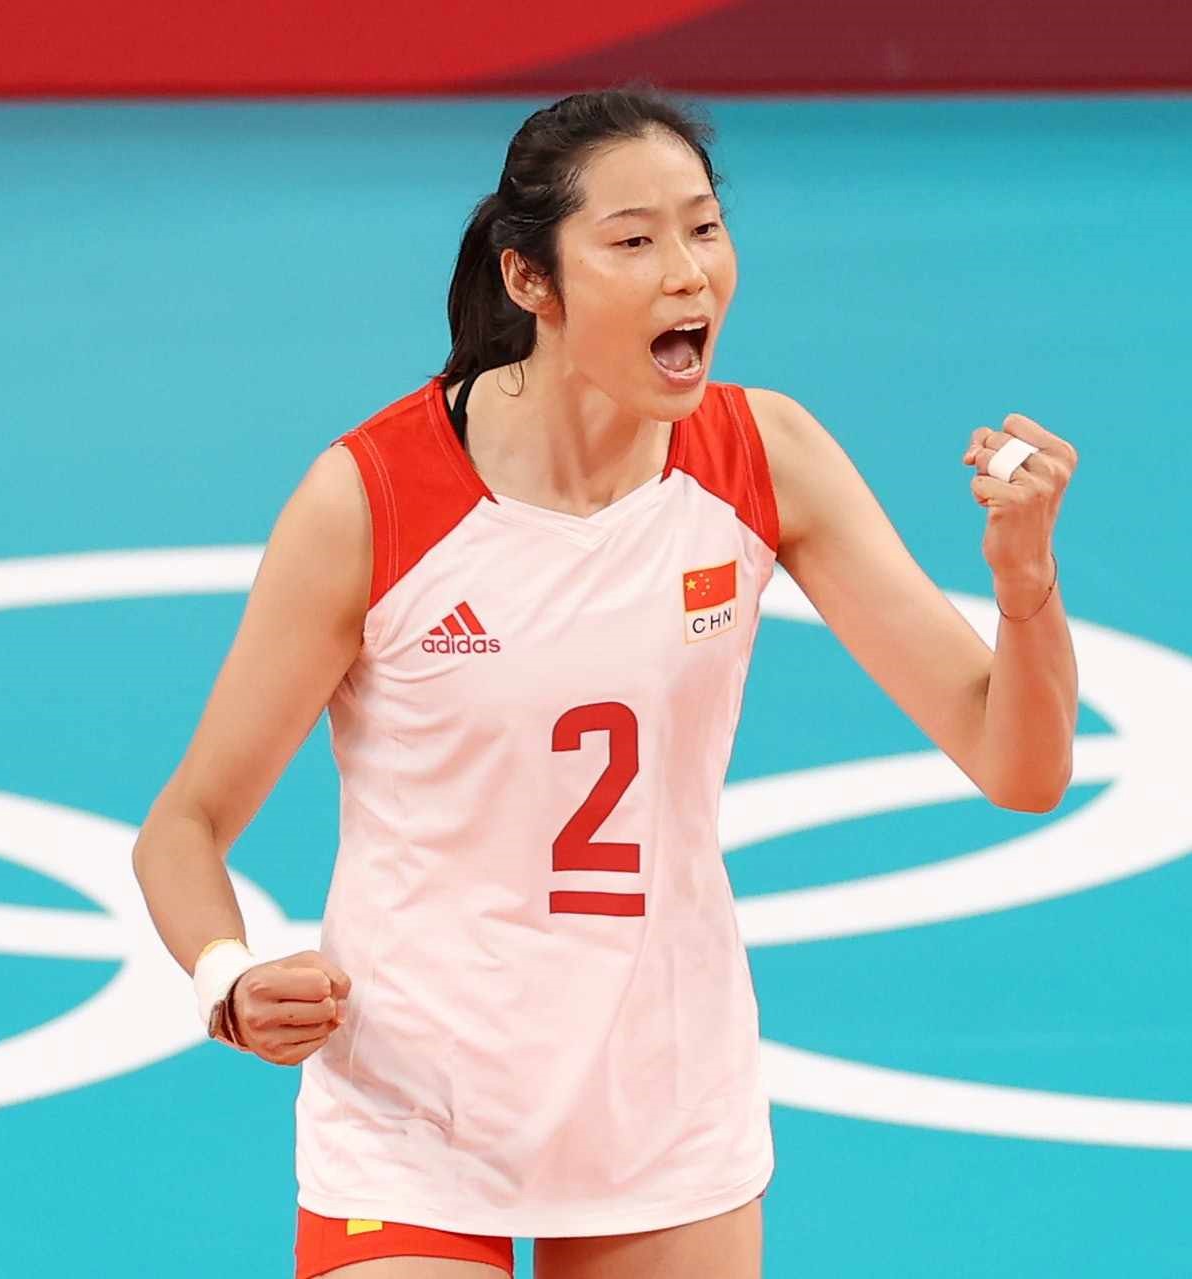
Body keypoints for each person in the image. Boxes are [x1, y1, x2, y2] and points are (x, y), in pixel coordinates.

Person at [131, 85, 1080, 1279]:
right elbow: (184, 826)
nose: (687, 274)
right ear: (531, 279)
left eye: (704, 229)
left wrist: (1026, 582)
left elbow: (1019, 763)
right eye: (633, 241)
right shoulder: (373, 500)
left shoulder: (763, 457)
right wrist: (229, 978)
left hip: (662, 1111)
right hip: (414, 1121)